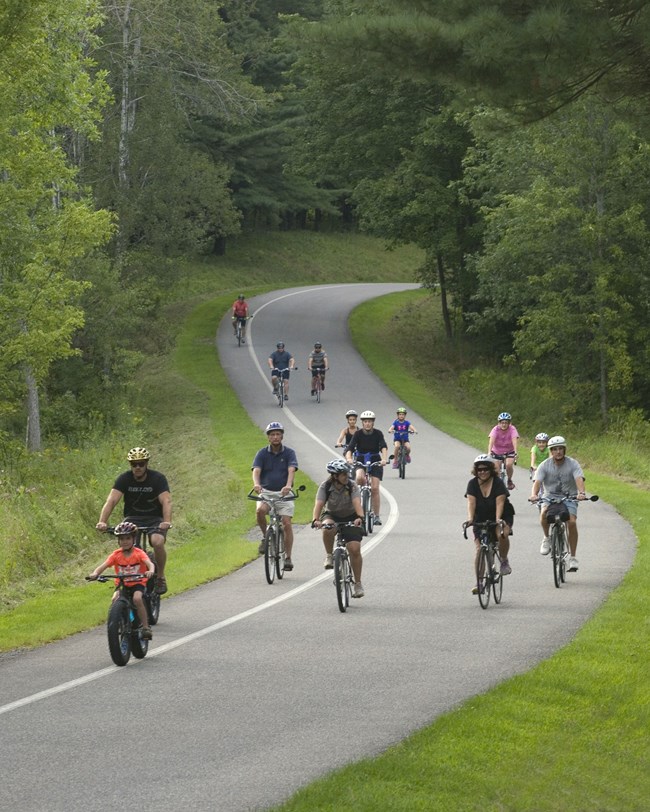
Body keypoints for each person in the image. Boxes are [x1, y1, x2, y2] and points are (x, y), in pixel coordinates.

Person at [96, 447, 172, 594]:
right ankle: (128, 584)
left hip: (154, 518)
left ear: (146, 464)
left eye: (141, 464)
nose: (137, 467)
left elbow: (166, 501)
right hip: (133, 518)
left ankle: (160, 577)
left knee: (157, 541)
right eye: (134, 464)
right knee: (129, 548)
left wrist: (166, 521)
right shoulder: (124, 479)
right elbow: (111, 500)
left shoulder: (157, 479)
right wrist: (102, 521)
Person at [87, 520, 156, 639]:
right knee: (115, 599)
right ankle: (120, 621)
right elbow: (103, 566)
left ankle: (145, 627)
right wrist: (95, 573)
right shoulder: (116, 554)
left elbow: (149, 564)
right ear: (118, 541)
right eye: (122, 539)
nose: (125, 542)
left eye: (128, 538)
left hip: (137, 583)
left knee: (137, 598)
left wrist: (150, 571)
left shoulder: (138, 553)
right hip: (122, 583)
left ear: (134, 539)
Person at [531, 435, 587, 572]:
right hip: (550, 496)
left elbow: (579, 479)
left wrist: (581, 493)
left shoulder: (573, 463)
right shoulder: (545, 465)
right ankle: (546, 538)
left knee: (572, 522)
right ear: (551, 451)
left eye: (560, 448)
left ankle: (573, 558)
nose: (558, 452)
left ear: (564, 449)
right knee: (544, 513)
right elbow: (537, 482)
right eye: (555, 449)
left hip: (569, 497)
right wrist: (534, 495)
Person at [311, 459, 366, 597]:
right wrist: (316, 519)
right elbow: (319, 504)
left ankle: (357, 584)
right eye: (343, 474)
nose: (347, 476)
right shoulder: (325, 486)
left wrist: (360, 517)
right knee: (328, 527)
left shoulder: (352, 486)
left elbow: (357, 503)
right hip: (332, 514)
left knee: (354, 548)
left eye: (347, 473)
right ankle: (329, 556)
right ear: (335, 476)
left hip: (351, 516)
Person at [463, 454, 514, 594]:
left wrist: (498, 519)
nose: (482, 472)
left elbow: (500, 503)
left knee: (502, 534)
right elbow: (471, 502)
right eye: (479, 469)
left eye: (485, 469)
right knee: (479, 549)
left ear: (491, 469)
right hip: (480, 517)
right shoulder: (472, 484)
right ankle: (479, 583)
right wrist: (470, 519)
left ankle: (503, 560)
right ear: (476, 470)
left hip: (501, 514)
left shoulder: (498, 483)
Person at [251, 422, 299, 569]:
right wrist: (257, 484)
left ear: (282, 436)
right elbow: (256, 471)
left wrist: (288, 485)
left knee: (286, 523)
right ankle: (266, 537)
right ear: (268, 437)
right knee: (260, 511)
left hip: (283, 493)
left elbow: (291, 470)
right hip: (266, 492)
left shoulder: (289, 453)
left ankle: (288, 558)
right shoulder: (262, 453)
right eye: (272, 434)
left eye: (278, 434)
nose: (275, 437)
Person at [345, 410, 388, 525]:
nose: (367, 423)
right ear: (362, 423)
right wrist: (349, 458)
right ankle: (358, 501)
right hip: (360, 460)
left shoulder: (378, 433)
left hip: (375, 461)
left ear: (373, 423)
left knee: (374, 488)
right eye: (365, 422)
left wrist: (384, 459)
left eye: (369, 421)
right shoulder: (358, 434)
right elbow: (350, 448)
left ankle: (377, 516)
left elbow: (383, 447)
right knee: (359, 478)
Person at [487, 412, 520, 490]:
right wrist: (489, 452)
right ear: (499, 423)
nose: (504, 425)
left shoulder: (512, 429)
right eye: (502, 423)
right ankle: (498, 484)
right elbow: (491, 441)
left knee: (508, 465)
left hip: (509, 451)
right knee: (496, 470)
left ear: (509, 423)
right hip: (496, 451)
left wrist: (515, 452)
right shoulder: (495, 429)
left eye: (506, 423)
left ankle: (509, 480)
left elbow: (514, 440)